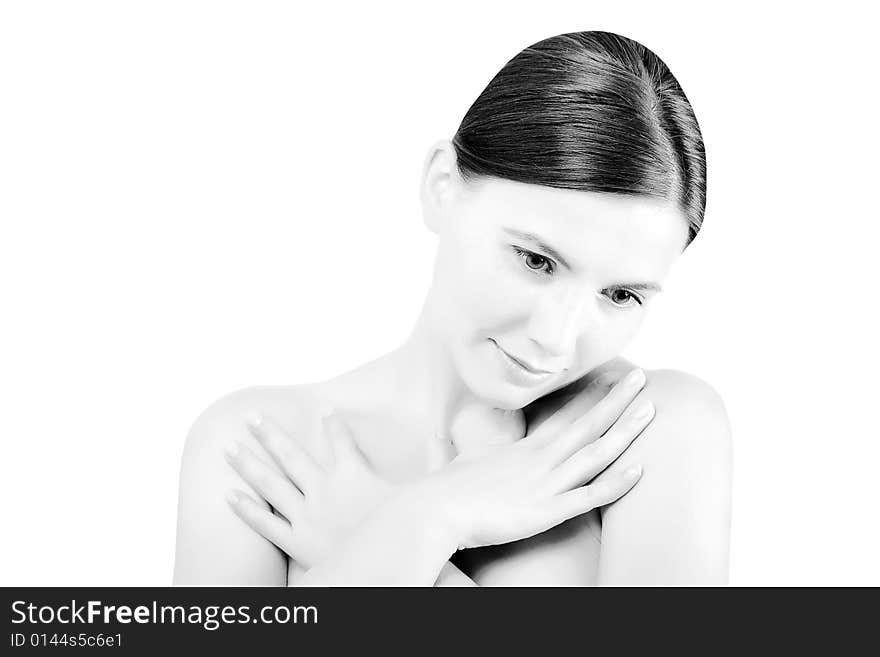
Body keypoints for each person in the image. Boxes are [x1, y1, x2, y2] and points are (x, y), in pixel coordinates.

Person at [172, 30, 732, 586]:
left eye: (620, 296)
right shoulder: (263, 447)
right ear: (442, 185)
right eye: (536, 261)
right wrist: (435, 514)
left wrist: (406, 537)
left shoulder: (649, 431)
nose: (556, 340)